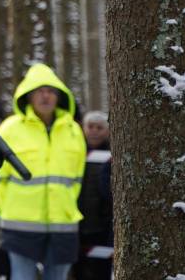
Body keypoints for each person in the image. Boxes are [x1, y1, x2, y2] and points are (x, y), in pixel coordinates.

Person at [0, 63, 86, 279]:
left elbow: (77, 178)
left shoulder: (73, 130)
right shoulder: (10, 128)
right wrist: (7, 206)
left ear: (59, 96)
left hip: (62, 225)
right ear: (28, 95)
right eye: (39, 91)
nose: (46, 96)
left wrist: (65, 204)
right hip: (20, 224)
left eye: (51, 91)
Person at [73, 111, 112, 280]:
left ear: (108, 131)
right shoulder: (73, 151)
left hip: (103, 226)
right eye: (90, 127)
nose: (94, 131)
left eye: (99, 127)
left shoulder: (113, 153)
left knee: (102, 270)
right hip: (76, 224)